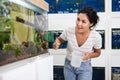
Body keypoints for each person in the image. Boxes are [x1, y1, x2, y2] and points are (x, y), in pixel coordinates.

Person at [53, 6, 102, 80]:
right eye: (78, 19)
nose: (79, 24)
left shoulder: (96, 37)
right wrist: (56, 43)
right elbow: (59, 40)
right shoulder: (69, 31)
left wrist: (89, 55)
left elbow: (98, 53)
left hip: (84, 67)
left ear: (91, 24)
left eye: (83, 21)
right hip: (69, 65)